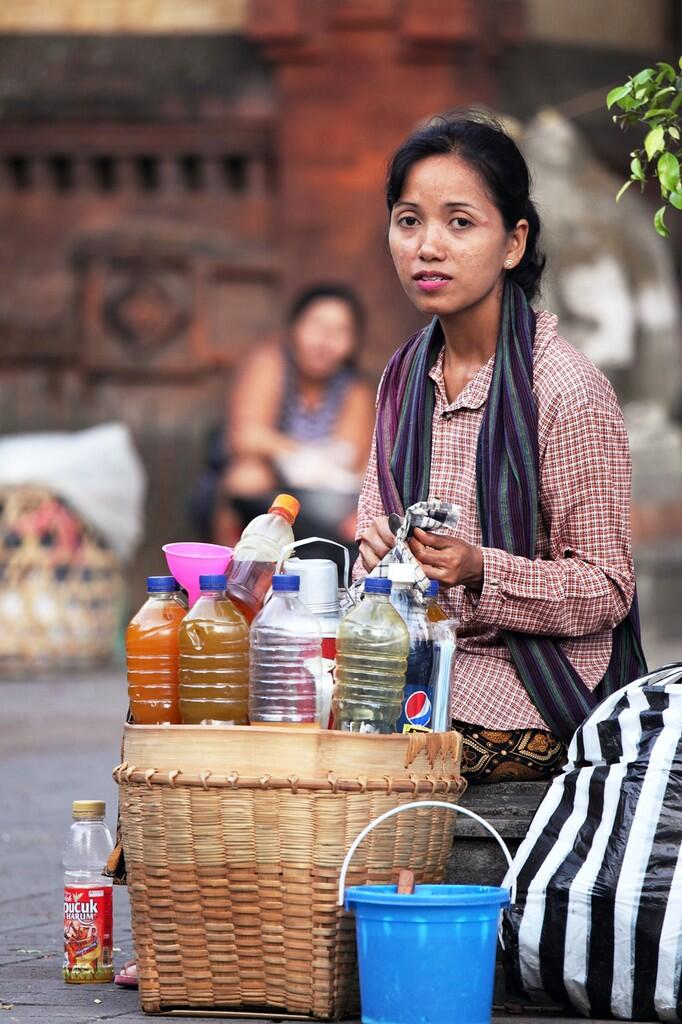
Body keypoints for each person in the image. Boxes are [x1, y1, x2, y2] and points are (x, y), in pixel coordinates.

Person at [356, 113, 647, 783]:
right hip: (423, 652)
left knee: (382, 738)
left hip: (530, 682)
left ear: (513, 243)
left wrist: (481, 568)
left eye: (460, 223)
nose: (428, 246)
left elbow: (607, 587)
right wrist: (374, 555)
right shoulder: (403, 380)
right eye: (409, 221)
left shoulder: (566, 388)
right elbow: (374, 541)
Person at [211, 284, 375, 548]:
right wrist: (299, 455)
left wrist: (320, 466)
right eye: (316, 326)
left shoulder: (355, 390)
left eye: (339, 331)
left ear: (353, 342)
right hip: (271, 479)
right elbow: (246, 436)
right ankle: (234, 570)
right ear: (295, 328)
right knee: (246, 476)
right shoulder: (271, 364)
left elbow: (353, 458)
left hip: (324, 495)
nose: (324, 340)